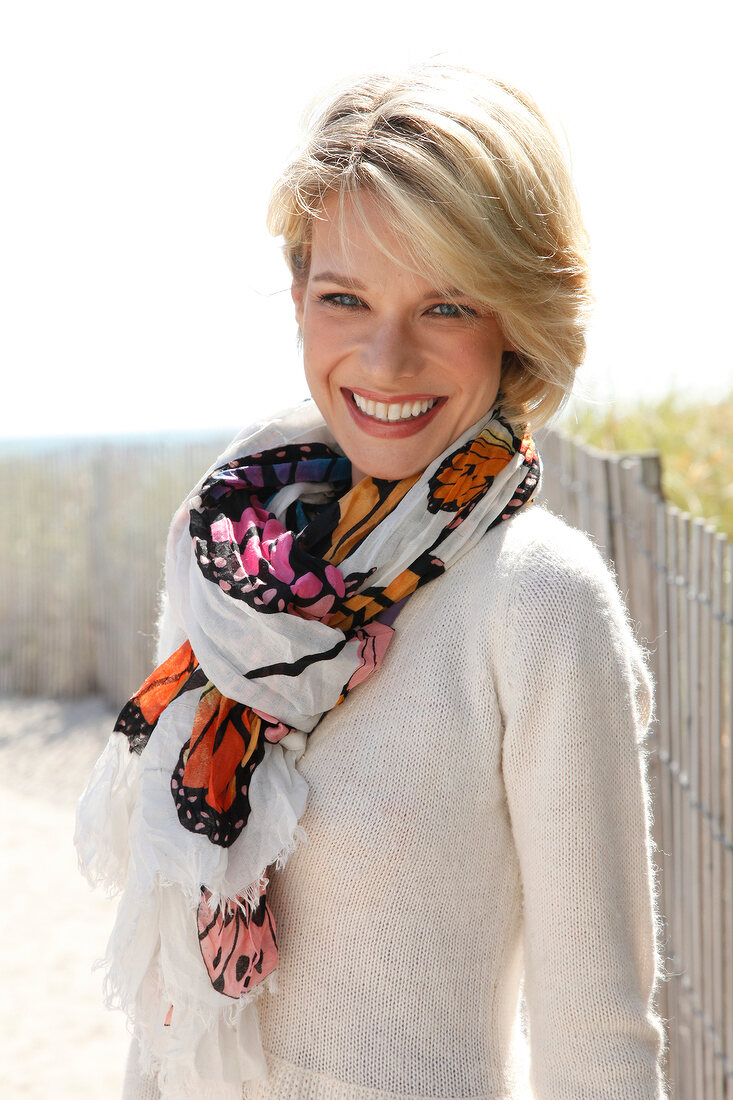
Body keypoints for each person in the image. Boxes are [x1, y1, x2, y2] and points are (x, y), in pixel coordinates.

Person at [76, 64, 667, 1099]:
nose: (385, 358)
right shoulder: (226, 556)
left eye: (443, 303)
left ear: (514, 321)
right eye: (344, 296)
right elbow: (174, 1017)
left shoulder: (535, 603)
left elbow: (598, 1044)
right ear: (300, 298)